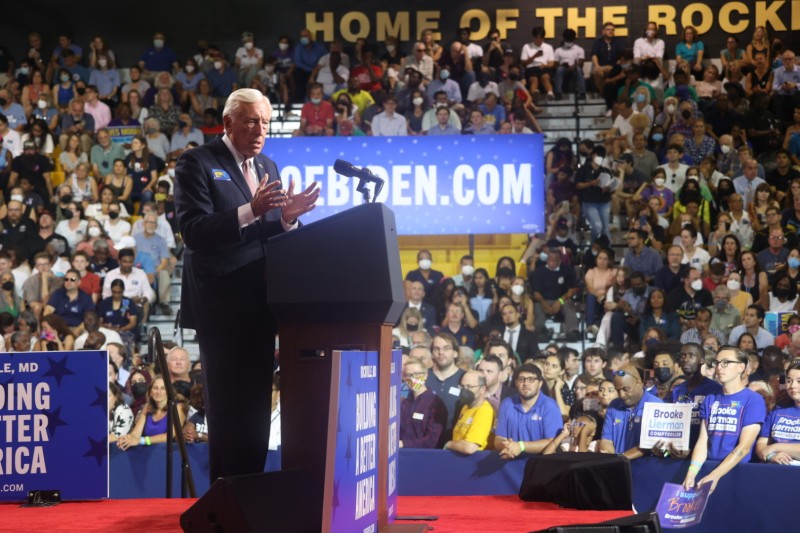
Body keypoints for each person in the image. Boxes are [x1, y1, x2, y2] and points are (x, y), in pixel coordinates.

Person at [174, 88, 318, 481]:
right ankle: (226, 498)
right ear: (228, 123)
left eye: (266, 123)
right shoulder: (197, 163)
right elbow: (194, 231)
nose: (260, 130)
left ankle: (250, 491)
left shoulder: (267, 165)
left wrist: (287, 218)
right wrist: (250, 210)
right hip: (220, 307)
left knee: (255, 407)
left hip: (261, 305)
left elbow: (270, 232)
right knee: (227, 409)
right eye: (252, 121)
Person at [683, 347, 767, 493]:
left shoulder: (753, 400)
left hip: (737, 471)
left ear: (741, 367)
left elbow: (744, 447)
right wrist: (691, 472)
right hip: (709, 468)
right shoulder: (710, 398)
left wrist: (715, 475)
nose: (719, 367)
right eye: (717, 363)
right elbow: (703, 441)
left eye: (725, 362)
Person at [494, 363, 562, 458]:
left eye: (531, 379)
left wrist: (521, 446)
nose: (526, 383)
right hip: (511, 463)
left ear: (540, 383)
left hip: (540, 464)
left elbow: (553, 442)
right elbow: (499, 438)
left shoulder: (550, 406)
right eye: (521, 379)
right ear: (516, 383)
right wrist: (507, 446)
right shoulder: (507, 403)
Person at [599, 365, 663, 459]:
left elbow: (647, 445)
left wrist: (619, 459)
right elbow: (607, 440)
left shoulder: (656, 406)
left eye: (625, 389)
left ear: (639, 383)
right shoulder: (614, 405)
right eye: (618, 390)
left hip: (645, 467)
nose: (622, 395)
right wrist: (608, 454)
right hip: (618, 466)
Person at [116, 376, 188, 451]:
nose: (158, 392)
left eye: (163, 388)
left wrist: (142, 441)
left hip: (169, 453)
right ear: (150, 392)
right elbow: (135, 434)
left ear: (169, 391)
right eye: (155, 388)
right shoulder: (147, 407)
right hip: (149, 452)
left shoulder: (178, 407)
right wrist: (127, 438)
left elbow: (170, 436)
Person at [756, 359, 800, 463]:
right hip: (776, 471)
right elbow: (761, 444)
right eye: (789, 381)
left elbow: (769, 447)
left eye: (799, 381)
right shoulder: (777, 411)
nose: (793, 386)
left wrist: (775, 447)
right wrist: (771, 456)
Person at [399, 357, 447, 448]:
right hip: (402, 454)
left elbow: (432, 440)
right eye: (408, 375)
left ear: (425, 375)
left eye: (416, 374)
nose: (412, 378)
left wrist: (404, 443)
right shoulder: (404, 403)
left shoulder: (435, 404)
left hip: (423, 456)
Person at [442, 370, 494, 454]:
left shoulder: (484, 410)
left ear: (482, 389)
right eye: (462, 386)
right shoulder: (465, 407)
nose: (464, 390)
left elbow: (470, 447)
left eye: (469, 387)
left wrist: (449, 444)